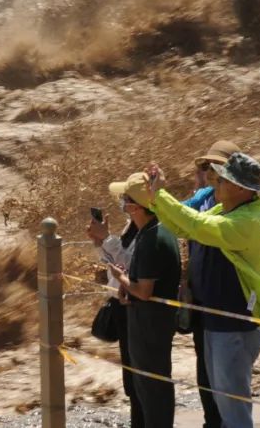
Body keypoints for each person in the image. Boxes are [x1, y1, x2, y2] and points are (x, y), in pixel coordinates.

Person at [139, 152, 260, 428]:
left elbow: (197, 225)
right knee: (225, 403)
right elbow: (184, 226)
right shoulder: (228, 208)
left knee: (234, 408)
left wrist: (162, 196)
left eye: (222, 179)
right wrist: (156, 198)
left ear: (240, 187)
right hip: (218, 321)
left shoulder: (247, 220)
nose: (215, 181)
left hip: (235, 324)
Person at [108, 172, 182, 428]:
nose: (122, 204)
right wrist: (130, 286)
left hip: (150, 325)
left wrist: (121, 278)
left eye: (125, 199)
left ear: (135, 206)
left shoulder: (151, 238)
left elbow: (145, 292)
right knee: (152, 386)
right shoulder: (157, 229)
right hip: (151, 322)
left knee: (153, 389)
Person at [183, 141, 241, 428]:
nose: (208, 173)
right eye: (205, 167)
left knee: (227, 375)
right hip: (201, 298)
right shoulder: (203, 197)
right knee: (204, 369)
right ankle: (211, 421)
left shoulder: (240, 204)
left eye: (215, 167)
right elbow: (177, 219)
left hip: (227, 301)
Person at [86, 208, 142, 427]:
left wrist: (107, 239)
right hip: (122, 303)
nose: (124, 203)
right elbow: (114, 265)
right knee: (131, 377)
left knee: (139, 377)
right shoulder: (132, 225)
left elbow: (129, 265)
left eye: (128, 199)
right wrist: (100, 242)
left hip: (135, 306)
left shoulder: (150, 229)